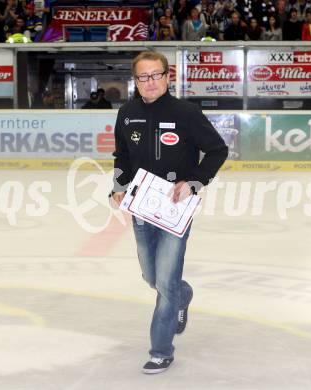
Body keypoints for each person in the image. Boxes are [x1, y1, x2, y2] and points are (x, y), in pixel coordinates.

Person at [110, 51, 228, 374]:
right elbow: (122, 157)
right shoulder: (127, 113)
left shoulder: (186, 113)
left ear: (167, 76)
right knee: (153, 276)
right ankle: (183, 294)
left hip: (176, 207)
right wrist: (118, 187)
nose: (149, 82)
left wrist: (195, 181)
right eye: (142, 77)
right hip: (141, 206)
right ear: (135, 81)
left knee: (165, 281)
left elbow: (218, 149)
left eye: (155, 75)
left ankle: (161, 350)